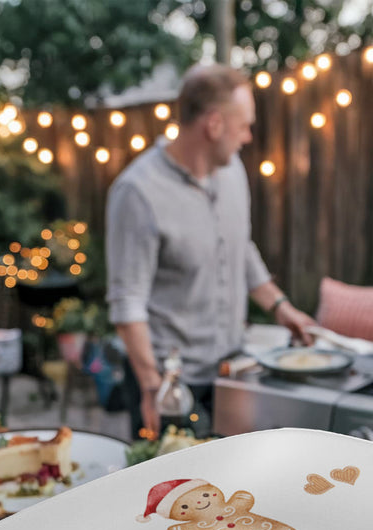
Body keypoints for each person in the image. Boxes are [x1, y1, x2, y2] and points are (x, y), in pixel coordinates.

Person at [105, 62, 316, 438]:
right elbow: (127, 303)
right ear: (214, 124)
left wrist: (281, 307)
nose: (248, 137)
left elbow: (240, 247)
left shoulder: (233, 172)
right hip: (169, 385)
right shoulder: (138, 192)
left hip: (230, 374)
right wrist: (152, 388)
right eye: (244, 125)